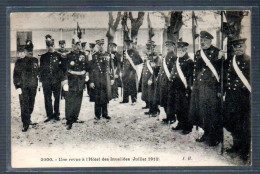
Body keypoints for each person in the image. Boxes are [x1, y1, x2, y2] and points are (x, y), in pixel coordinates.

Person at [189, 31, 225, 146]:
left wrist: (220, 90)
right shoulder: (199, 53)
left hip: (212, 88)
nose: (202, 42)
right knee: (202, 112)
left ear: (210, 41)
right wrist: (194, 85)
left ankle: (215, 137)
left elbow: (222, 73)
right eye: (201, 41)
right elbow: (196, 70)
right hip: (200, 87)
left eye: (205, 40)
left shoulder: (217, 52)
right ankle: (206, 133)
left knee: (212, 112)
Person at [224, 38, 251, 161]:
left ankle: (245, 150)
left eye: (240, 46)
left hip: (244, 98)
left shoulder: (249, 60)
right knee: (233, 122)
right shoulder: (230, 60)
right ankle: (236, 145)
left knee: (244, 124)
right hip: (231, 97)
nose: (238, 49)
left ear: (245, 47)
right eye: (236, 47)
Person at [62, 39, 89, 130]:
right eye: (76, 45)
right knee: (70, 100)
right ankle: (69, 120)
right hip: (71, 81)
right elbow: (65, 69)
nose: (78, 47)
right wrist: (65, 81)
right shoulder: (68, 56)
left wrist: (87, 75)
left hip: (80, 81)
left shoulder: (83, 55)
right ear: (72, 45)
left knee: (78, 100)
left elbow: (87, 66)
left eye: (79, 45)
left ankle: (75, 117)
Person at [168, 41, 193, 134]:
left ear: (186, 49)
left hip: (184, 89)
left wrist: (189, 88)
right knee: (177, 107)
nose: (180, 50)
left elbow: (190, 76)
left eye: (182, 49)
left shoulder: (189, 61)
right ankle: (180, 123)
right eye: (178, 49)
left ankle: (188, 127)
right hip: (175, 88)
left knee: (185, 108)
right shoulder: (177, 60)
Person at [13, 40, 39, 132]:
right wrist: (17, 86)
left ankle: (28, 119)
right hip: (23, 87)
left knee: (31, 104)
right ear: (25, 52)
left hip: (33, 86)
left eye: (31, 51)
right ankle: (25, 123)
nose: (30, 52)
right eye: (28, 51)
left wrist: (37, 83)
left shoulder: (35, 60)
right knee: (24, 105)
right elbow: (16, 75)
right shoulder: (19, 62)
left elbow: (37, 73)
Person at [39, 35, 66, 122]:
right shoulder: (43, 57)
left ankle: (56, 114)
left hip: (56, 80)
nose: (50, 47)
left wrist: (62, 79)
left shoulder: (59, 55)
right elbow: (41, 69)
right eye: (48, 46)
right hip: (46, 81)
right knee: (47, 98)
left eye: (52, 46)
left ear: (54, 46)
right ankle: (49, 115)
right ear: (46, 47)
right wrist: (41, 81)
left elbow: (63, 68)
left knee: (57, 98)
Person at [89, 39, 113, 120]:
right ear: (97, 46)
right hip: (97, 79)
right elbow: (91, 70)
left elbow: (111, 68)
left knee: (105, 96)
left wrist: (112, 78)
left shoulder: (108, 55)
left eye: (102, 45)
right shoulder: (94, 56)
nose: (101, 47)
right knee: (98, 97)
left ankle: (105, 113)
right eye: (99, 45)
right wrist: (91, 81)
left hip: (106, 79)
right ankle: (97, 114)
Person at [154, 40, 176, 124]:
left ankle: (171, 117)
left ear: (173, 47)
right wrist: (158, 78)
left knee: (169, 99)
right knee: (163, 98)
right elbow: (162, 69)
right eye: (167, 46)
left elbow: (173, 70)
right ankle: (167, 116)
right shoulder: (165, 56)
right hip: (163, 81)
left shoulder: (174, 57)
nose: (168, 47)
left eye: (169, 46)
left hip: (168, 81)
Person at [141, 40, 160, 116]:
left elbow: (156, 70)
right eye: (148, 48)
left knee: (153, 95)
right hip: (146, 78)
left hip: (152, 79)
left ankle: (155, 110)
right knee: (148, 94)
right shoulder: (148, 57)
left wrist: (151, 78)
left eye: (150, 48)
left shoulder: (156, 58)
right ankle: (150, 109)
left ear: (153, 48)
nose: (148, 49)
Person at [121, 39, 143, 104]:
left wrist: (135, 66)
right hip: (126, 71)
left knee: (133, 85)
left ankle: (134, 100)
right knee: (125, 84)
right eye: (126, 44)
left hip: (132, 71)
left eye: (129, 44)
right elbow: (123, 62)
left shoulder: (135, 52)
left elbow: (140, 62)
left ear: (131, 44)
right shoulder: (124, 52)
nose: (127, 46)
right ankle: (125, 99)